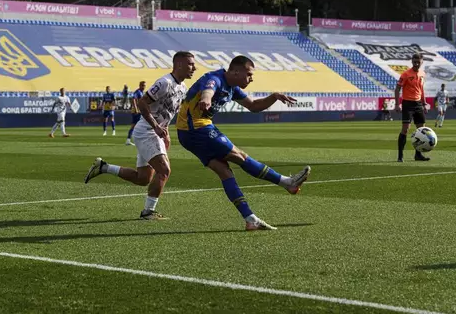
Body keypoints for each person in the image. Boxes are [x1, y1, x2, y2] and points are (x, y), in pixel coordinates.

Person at [176, 56, 311, 231]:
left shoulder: (233, 88)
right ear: (235, 71)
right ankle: (287, 182)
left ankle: (250, 218)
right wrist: (206, 99)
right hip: (196, 129)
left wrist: (274, 97)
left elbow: (254, 106)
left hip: (188, 133)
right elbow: (208, 90)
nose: (251, 78)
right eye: (248, 74)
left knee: (225, 172)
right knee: (240, 156)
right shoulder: (214, 79)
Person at [84, 52, 197, 220]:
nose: (194, 68)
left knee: (143, 178)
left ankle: (104, 167)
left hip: (155, 132)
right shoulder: (164, 82)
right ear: (179, 64)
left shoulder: (182, 87)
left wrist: (166, 132)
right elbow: (142, 102)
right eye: (190, 64)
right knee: (164, 171)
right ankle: (148, 212)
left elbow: (167, 112)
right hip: (147, 131)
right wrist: (156, 126)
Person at [395, 53, 431, 162]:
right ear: (411, 61)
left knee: (421, 130)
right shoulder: (405, 74)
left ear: (422, 62)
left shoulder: (422, 74)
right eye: (414, 62)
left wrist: (424, 103)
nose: (416, 64)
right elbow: (397, 89)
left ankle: (418, 155)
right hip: (407, 104)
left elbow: (421, 89)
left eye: (418, 62)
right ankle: (400, 156)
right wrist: (397, 104)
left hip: (418, 104)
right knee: (405, 130)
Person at [126, 81, 146, 146]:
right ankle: (130, 140)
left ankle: (129, 140)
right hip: (136, 111)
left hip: (140, 111)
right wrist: (136, 109)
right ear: (140, 85)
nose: (144, 87)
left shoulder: (142, 92)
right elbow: (134, 99)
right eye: (142, 85)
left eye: (144, 85)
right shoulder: (137, 92)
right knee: (136, 126)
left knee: (136, 126)